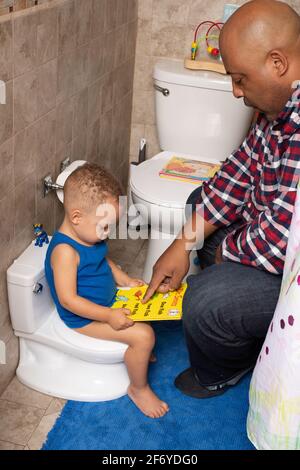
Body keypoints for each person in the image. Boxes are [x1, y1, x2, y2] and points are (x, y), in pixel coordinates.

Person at [142, 0, 300, 398]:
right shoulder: (278, 106)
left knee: (207, 299)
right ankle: (229, 288)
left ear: (278, 63)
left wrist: (219, 254)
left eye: (240, 79)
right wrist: (182, 243)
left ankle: (225, 369)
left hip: (291, 264)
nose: (234, 91)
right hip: (270, 236)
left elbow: (281, 240)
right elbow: (237, 173)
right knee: (199, 203)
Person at [45, 163, 169, 418]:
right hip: (84, 319)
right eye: (105, 227)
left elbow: (103, 259)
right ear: (76, 217)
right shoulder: (65, 253)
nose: (108, 234)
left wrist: (124, 279)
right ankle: (139, 388)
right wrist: (108, 315)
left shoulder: (89, 236)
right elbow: (69, 301)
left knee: (149, 304)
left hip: (105, 304)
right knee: (144, 336)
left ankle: (138, 354)